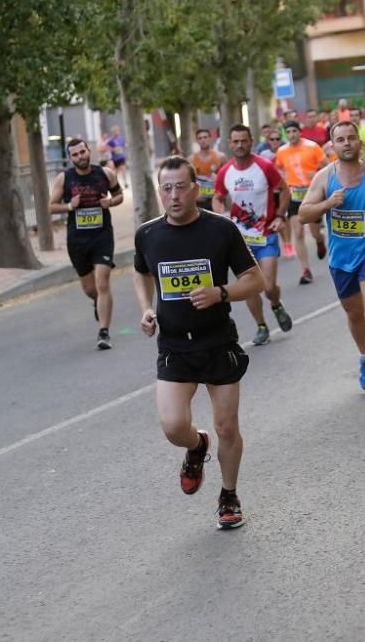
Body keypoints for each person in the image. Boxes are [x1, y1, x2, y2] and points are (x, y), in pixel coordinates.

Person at [134, 156, 266, 530]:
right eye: (166, 187)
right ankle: (196, 446)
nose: (174, 195)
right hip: (174, 344)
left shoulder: (221, 230)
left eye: (180, 186)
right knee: (174, 426)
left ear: (196, 189)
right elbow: (140, 273)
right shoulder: (148, 234)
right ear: (159, 191)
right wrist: (147, 309)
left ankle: (229, 495)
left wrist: (220, 292)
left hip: (216, 341)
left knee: (227, 427)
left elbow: (254, 280)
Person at [298, 121, 365, 404]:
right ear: (332, 146)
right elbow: (304, 214)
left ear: (360, 142)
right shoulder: (324, 178)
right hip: (342, 258)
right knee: (354, 314)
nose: (346, 143)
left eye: (351, 138)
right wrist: (328, 204)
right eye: (340, 139)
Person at [213, 124, 293, 345]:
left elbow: (284, 190)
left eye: (244, 141)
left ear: (251, 141)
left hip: (265, 234)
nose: (240, 145)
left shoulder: (264, 166)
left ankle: (276, 304)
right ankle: (261, 326)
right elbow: (218, 198)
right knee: (249, 287)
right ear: (230, 144)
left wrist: (280, 216)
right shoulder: (225, 172)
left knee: (267, 286)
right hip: (239, 240)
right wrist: (220, 217)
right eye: (235, 141)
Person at [50, 138, 124, 349]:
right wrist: (69, 207)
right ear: (70, 157)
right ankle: (96, 301)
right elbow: (50, 207)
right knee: (90, 288)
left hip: (102, 236)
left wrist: (110, 202)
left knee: (102, 282)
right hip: (78, 240)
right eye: (75, 154)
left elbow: (119, 195)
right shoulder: (64, 179)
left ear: (89, 151)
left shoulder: (105, 174)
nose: (80, 156)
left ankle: (104, 332)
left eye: (82, 152)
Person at [274, 120, 328, 285]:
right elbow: (279, 170)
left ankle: (319, 240)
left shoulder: (312, 147)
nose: (291, 135)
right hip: (294, 196)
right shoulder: (282, 151)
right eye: (288, 132)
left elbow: (327, 167)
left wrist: (317, 173)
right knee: (297, 233)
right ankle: (305, 270)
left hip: (312, 195)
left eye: (294, 131)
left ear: (300, 132)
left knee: (314, 232)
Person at [190, 128, 228, 211]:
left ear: (210, 138)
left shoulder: (220, 157)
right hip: (199, 199)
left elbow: (227, 178)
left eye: (205, 137)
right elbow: (189, 181)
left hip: (216, 198)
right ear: (197, 140)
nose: (203, 140)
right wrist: (194, 195)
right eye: (200, 138)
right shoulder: (191, 159)